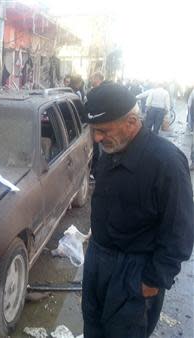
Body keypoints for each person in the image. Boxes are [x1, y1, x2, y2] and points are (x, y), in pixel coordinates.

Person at [83, 83, 194, 338]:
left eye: (103, 130)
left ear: (131, 122)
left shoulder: (166, 162)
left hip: (134, 271)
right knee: (93, 328)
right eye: (93, 130)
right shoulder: (110, 149)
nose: (97, 138)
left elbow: (181, 231)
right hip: (98, 261)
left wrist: (153, 281)